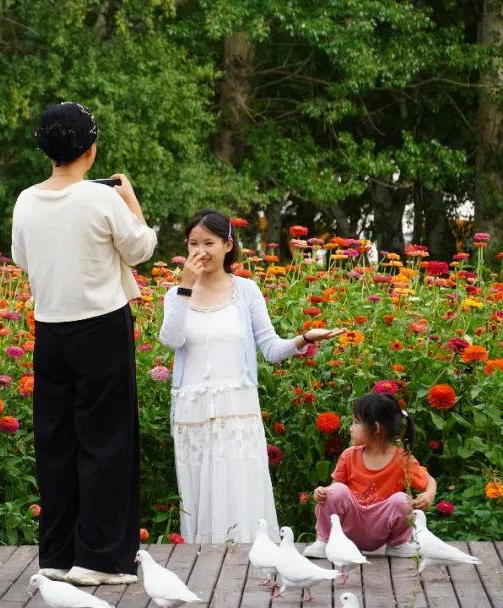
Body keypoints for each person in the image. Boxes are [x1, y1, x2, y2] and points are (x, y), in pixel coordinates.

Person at [11, 102, 157, 586]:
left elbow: (20, 257)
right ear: (90, 151)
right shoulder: (102, 200)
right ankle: (99, 558)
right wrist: (131, 199)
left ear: (46, 152)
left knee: (56, 444)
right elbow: (140, 250)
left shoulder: (26, 200)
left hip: (49, 329)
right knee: (106, 443)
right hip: (100, 326)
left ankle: (56, 555)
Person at [158, 210, 344, 545]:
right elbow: (171, 340)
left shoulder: (245, 291)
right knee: (200, 497)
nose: (200, 250)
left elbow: (270, 348)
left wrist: (305, 338)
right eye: (193, 243)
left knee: (239, 493)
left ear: (228, 245)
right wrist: (186, 286)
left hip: (237, 411)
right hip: (192, 413)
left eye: (209, 243)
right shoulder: (175, 295)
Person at [303, 392, 438, 558]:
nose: (350, 428)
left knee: (402, 500)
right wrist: (322, 493)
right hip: (347, 530)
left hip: (379, 529)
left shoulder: (402, 459)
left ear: (376, 428)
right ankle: (326, 541)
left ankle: (399, 544)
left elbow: (429, 481)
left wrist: (428, 494)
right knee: (336, 490)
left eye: (356, 422)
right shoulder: (349, 455)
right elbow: (333, 493)